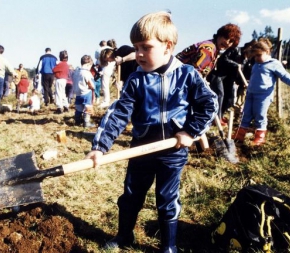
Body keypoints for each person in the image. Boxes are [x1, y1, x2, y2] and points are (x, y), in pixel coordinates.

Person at [84, 11, 217, 251]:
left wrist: (190, 131)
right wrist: (99, 147)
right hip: (141, 148)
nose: (139, 54)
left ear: (167, 46)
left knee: (167, 199)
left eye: (146, 47)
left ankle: (169, 246)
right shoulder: (136, 80)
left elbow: (209, 104)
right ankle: (124, 235)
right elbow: (118, 113)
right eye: (136, 47)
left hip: (172, 151)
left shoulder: (187, 75)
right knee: (131, 196)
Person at [233, 38, 290, 146]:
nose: (256, 58)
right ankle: (239, 136)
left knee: (260, 115)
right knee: (245, 114)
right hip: (250, 93)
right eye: (255, 56)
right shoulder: (256, 64)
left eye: (259, 55)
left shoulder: (274, 63)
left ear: (267, 52)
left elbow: (283, 74)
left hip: (263, 95)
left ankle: (259, 137)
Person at [176, 23, 242, 79]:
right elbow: (194, 74)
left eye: (231, 41)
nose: (227, 42)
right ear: (219, 35)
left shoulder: (214, 50)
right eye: (226, 37)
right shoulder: (209, 49)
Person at [72, 55, 96, 128]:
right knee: (87, 107)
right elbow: (91, 84)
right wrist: (92, 88)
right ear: (88, 64)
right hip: (86, 93)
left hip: (78, 93)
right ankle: (86, 122)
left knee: (79, 107)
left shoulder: (76, 72)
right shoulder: (87, 73)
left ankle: (77, 120)